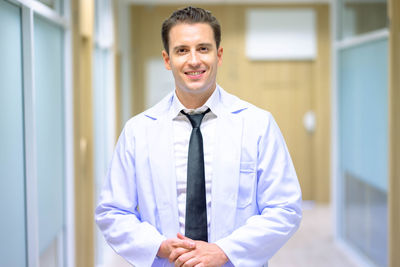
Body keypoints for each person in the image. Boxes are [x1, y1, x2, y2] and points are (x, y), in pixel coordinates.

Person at [95, 6, 302, 267]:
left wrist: (224, 251)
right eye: (182, 50)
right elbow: (112, 212)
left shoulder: (258, 125)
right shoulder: (138, 131)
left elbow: (285, 208)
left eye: (203, 48)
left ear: (219, 55)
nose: (194, 60)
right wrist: (158, 246)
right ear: (167, 59)